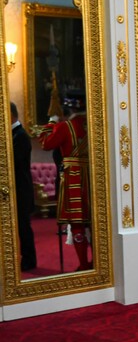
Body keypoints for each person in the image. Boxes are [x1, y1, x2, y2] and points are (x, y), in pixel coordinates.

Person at [39, 90, 92, 271]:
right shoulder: (95, 125)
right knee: (95, 221)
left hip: (74, 178)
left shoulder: (64, 126)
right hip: (93, 178)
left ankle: (84, 264)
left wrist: (51, 122)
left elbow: (45, 143)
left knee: (77, 223)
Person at [10, 102, 37, 272]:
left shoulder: (20, 135)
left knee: (23, 226)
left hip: (21, 189)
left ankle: (29, 260)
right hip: (14, 189)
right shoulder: (11, 134)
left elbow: (14, 162)